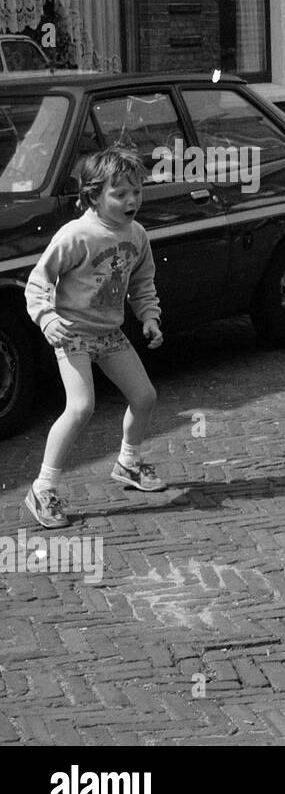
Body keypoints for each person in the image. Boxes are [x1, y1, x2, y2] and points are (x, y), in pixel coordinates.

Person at [22, 148, 166, 528]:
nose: (132, 200)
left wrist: (149, 316)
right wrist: (47, 318)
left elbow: (142, 282)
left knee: (145, 396)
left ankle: (128, 463)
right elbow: (38, 283)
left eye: (137, 190)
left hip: (109, 333)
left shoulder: (137, 235)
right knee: (81, 407)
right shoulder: (76, 235)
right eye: (120, 194)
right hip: (72, 335)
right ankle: (43, 488)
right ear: (93, 196)